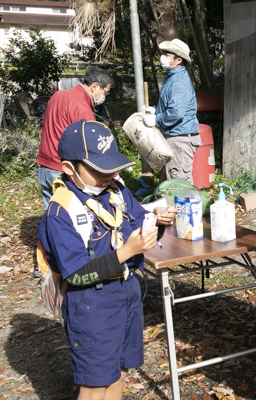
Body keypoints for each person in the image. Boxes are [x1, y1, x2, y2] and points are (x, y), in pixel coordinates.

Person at [37, 119, 175, 399]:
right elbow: (75, 274)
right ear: (68, 168)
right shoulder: (60, 212)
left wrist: (158, 222)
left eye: (112, 167)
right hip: (91, 305)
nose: (109, 174)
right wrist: (127, 251)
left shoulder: (116, 191)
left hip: (126, 295)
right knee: (96, 383)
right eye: (99, 169)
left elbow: (138, 221)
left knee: (120, 371)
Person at [37, 66, 114, 209]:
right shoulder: (82, 108)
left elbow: (43, 129)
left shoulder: (57, 96)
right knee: (69, 221)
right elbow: (91, 148)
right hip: (63, 170)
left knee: (52, 218)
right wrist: (112, 173)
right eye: (105, 92)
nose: (104, 96)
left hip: (45, 167)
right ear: (95, 87)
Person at [143, 38, 200, 184]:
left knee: (179, 186)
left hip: (180, 140)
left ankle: (187, 207)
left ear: (178, 60)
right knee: (169, 184)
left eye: (167, 55)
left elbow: (176, 113)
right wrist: (155, 110)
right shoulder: (172, 77)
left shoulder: (179, 81)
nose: (162, 57)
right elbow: (170, 107)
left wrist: (156, 120)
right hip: (175, 138)